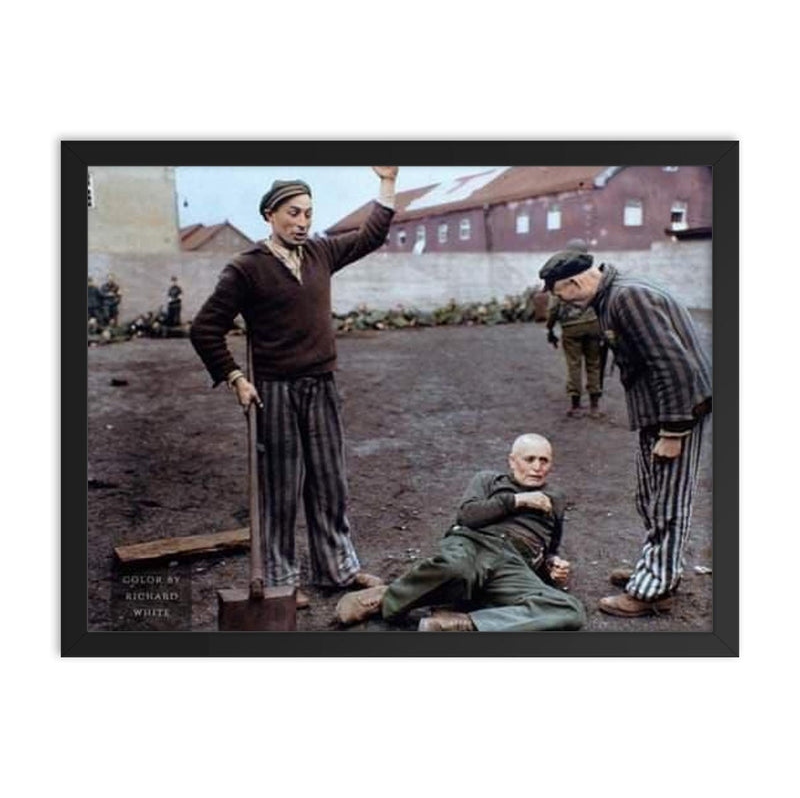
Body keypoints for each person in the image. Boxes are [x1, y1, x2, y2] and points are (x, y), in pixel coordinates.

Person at [190, 167, 399, 608]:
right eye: (293, 213)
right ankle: (281, 580)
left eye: (308, 213)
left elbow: (371, 236)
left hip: (321, 384)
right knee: (282, 488)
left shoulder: (320, 253)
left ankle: (337, 568)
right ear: (270, 215)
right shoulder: (246, 269)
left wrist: (386, 184)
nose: (302, 222)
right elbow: (206, 328)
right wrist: (235, 377)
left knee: (329, 481)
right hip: (275, 390)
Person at [539, 248, 711, 617]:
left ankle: (654, 590)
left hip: (678, 411)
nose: (558, 299)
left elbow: (673, 364)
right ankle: (656, 570)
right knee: (650, 496)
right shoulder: (613, 293)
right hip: (659, 410)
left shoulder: (627, 297)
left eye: (558, 292)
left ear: (574, 282)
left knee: (668, 503)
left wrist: (674, 431)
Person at [336, 434, 586, 632]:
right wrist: (518, 500)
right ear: (512, 461)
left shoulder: (556, 498)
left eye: (544, 460)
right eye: (529, 459)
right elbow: (468, 516)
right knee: (459, 570)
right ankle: (385, 598)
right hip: (474, 544)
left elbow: (550, 546)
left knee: (570, 610)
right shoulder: (488, 480)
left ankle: (463, 623)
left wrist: (554, 565)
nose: (537, 467)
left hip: (513, 565)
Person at [542, 239, 603, 417]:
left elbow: (553, 307)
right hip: (593, 325)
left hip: (570, 328)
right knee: (594, 365)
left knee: (574, 365)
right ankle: (594, 407)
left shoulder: (562, 273)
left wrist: (550, 328)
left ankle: (576, 406)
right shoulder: (594, 274)